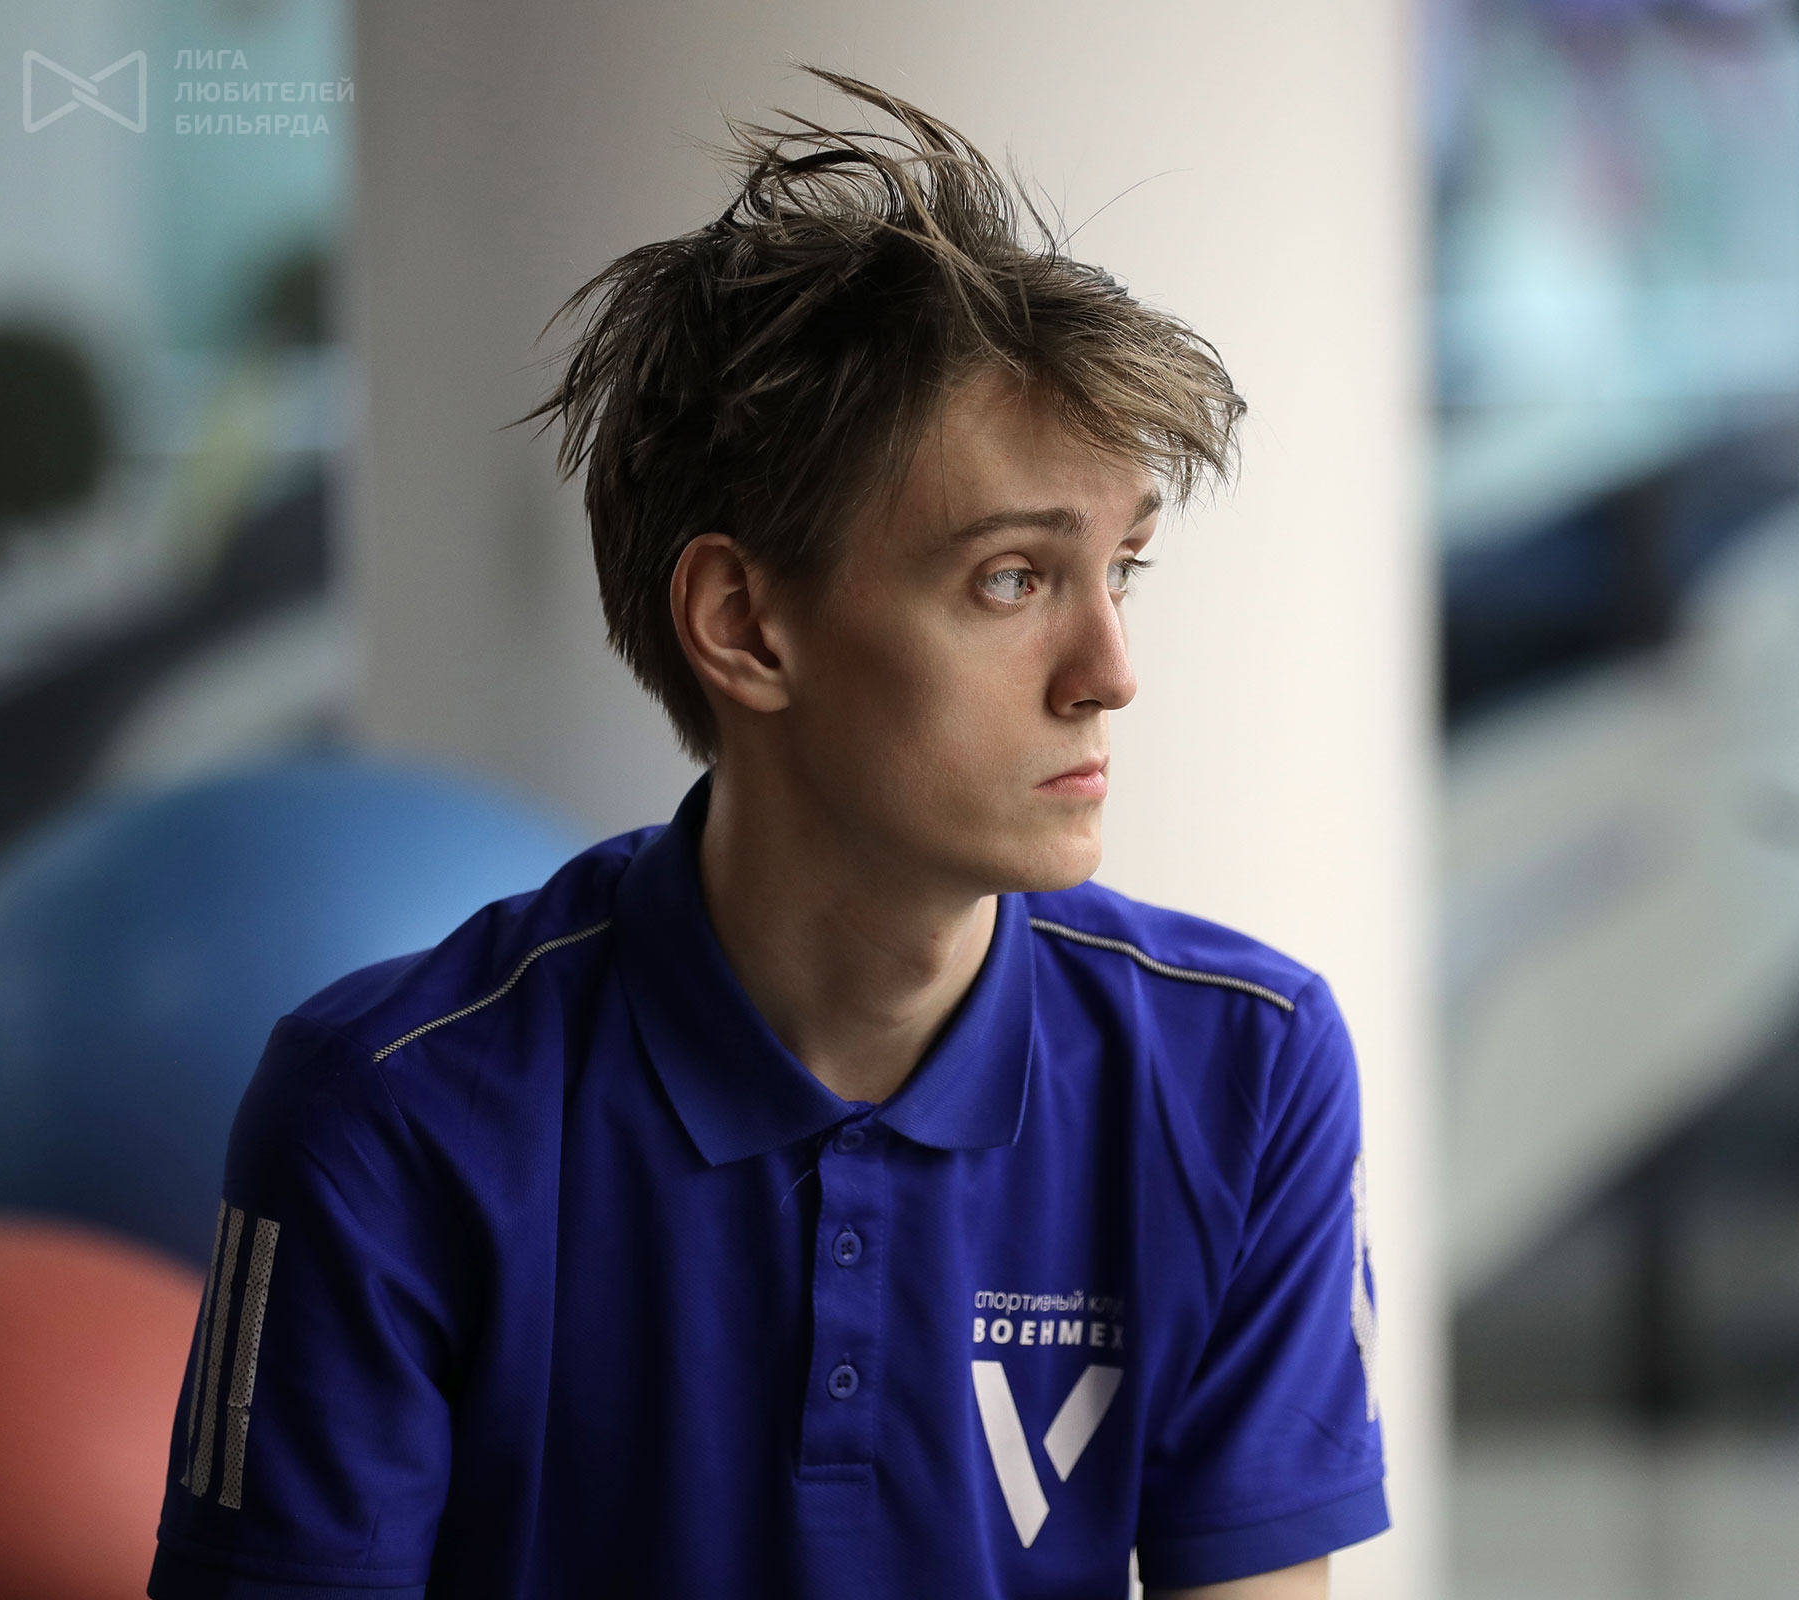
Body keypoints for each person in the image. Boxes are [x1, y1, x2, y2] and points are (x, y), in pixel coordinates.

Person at [148, 70, 1385, 1600]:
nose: (1110, 671)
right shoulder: (388, 1114)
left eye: (1121, 569)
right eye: (1012, 579)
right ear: (743, 623)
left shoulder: (1245, 1067)